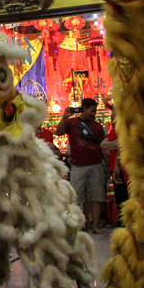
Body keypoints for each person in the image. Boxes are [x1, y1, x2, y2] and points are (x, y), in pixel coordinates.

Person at [56, 98, 107, 233]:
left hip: (96, 165)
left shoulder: (98, 126)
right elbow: (59, 132)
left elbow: (103, 147)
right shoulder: (72, 122)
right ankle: (79, 225)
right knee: (76, 197)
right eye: (92, 111)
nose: (94, 114)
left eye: (95, 111)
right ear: (83, 109)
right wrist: (65, 117)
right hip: (78, 166)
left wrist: (107, 165)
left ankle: (95, 226)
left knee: (98, 196)